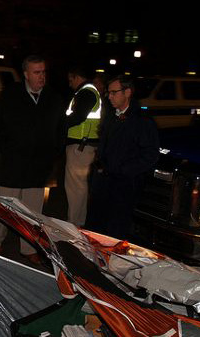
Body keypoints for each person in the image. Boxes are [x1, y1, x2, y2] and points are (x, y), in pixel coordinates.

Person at [0, 55, 64, 264]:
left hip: (38, 168)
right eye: (37, 72)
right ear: (26, 74)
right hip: (12, 165)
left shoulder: (53, 98)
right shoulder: (10, 95)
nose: (42, 76)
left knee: (32, 213)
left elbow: (60, 128)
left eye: (44, 72)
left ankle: (28, 247)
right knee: (5, 207)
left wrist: (52, 151)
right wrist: (6, 148)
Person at [85, 76, 159, 240]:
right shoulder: (111, 116)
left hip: (122, 187)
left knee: (114, 233)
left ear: (127, 92)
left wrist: (122, 170)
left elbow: (150, 154)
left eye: (113, 92)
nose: (109, 96)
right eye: (108, 93)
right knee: (95, 229)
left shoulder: (142, 121)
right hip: (102, 185)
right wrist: (94, 174)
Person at [64, 67, 105, 227]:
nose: (69, 84)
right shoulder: (89, 91)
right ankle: (78, 222)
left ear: (77, 77)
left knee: (75, 187)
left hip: (81, 146)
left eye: (70, 79)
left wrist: (59, 125)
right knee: (79, 186)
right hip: (84, 145)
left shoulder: (86, 92)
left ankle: (74, 223)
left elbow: (77, 117)